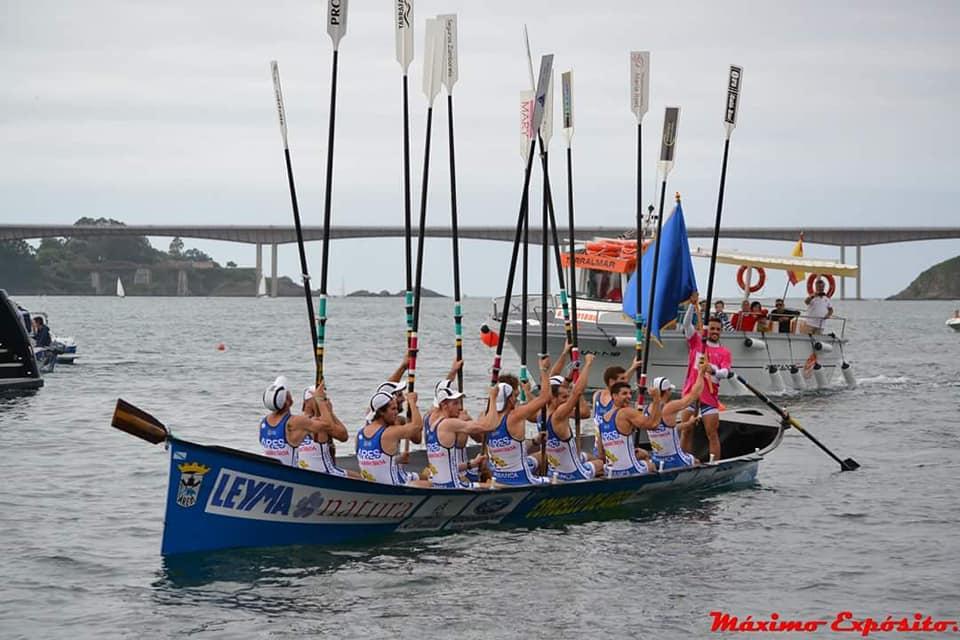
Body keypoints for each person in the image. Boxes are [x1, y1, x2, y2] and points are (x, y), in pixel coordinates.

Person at [481, 356, 553, 486]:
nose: (517, 399)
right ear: (509, 398)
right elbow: (546, 397)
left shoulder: (485, 417)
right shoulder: (516, 415)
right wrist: (544, 369)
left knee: (540, 456)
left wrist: (535, 441)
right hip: (521, 479)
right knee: (555, 479)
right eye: (515, 396)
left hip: (498, 477)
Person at [679, 293, 732, 462]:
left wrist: (713, 370)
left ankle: (713, 463)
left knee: (712, 433)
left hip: (709, 398)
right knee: (686, 430)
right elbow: (686, 324)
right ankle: (683, 461)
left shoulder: (724, 352)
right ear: (707, 330)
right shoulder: (696, 341)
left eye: (718, 329)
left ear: (721, 331)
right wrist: (691, 305)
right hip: (690, 394)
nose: (715, 332)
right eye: (713, 329)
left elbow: (725, 373)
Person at [542, 354, 603, 480]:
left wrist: (569, 377)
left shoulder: (540, 412)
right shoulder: (560, 414)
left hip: (554, 471)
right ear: (553, 397)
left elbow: (554, 385)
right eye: (564, 397)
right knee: (600, 463)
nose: (567, 400)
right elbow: (578, 392)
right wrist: (588, 364)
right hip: (572, 474)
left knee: (589, 456)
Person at [423, 379, 492, 488]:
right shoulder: (448, 424)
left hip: (438, 484)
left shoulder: (432, 424)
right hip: (453, 485)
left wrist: (472, 464)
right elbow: (485, 427)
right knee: (495, 485)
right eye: (455, 403)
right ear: (444, 405)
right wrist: (492, 400)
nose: (459, 407)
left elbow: (448, 467)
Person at [259, 376, 339, 467]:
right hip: (289, 474)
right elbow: (328, 425)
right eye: (288, 393)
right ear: (287, 402)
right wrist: (320, 400)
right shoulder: (295, 422)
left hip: (272, 470)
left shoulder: (263, 423)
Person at [356, 390, 430, 486]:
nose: (396, 412)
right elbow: (417, 426)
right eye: (393, 409)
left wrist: (398, 459)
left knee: (424, 476)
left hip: (374, 484)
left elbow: (377, 462)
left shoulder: (360, 434)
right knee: (432, 484)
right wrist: (412, 403)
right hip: (395, 486)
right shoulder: (389, 432)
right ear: (381, 412)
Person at [645, 366, 707, 470]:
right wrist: (701, 374)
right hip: (674, 460)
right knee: (697, 461)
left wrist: (689, 423)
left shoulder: (647, 410)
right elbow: (694, 395)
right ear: (667, 391)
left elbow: (668, 429)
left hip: (656, 459)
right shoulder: (670, 407)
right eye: (670, 390)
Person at [598, 381, 660, 476]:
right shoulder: (626, 412)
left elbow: (601, 453)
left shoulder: (603, 418)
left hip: (611, 471)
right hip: (630, 469)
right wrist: (656, 399)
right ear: (614, 396)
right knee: (652, 465)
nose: (629, 396)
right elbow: (653, 425)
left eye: (630, 393)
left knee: (642, 454)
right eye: (624, 393)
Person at [297, 385, 359, 478]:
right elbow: (343, 436)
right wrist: (329, 412)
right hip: (325, 472)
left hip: (303, 470)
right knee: (361, 478)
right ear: (307, 402)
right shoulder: (320, 423)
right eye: (321, 399)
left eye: (325, 399)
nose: (324, 402)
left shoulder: (295, 421)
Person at [591, 359, 641, 455]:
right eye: (622, 379)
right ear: (611, 382)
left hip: (603, 449)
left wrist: (633, 367)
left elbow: (621, 384)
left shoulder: (597, 395)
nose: (626, 382)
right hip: (610, 450)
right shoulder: (618, 399)